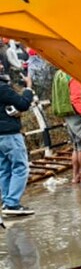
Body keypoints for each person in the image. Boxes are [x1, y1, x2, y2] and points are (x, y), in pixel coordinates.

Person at [52, 69, 81, 184]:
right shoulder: (74, 75)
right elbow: (75, 99)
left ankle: (75, 176)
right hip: (77, 114)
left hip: (68, 114)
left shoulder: (60, 73)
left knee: (75, 146)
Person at [0, 71, 34, 215]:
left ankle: (7, 201)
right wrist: (28, 88)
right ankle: (12, 203)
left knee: (4, 169)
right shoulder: (2, 88)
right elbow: (23, 104)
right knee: (20, 167)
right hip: (10, 134)